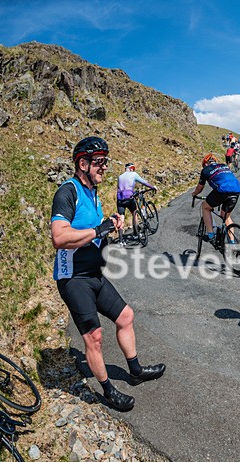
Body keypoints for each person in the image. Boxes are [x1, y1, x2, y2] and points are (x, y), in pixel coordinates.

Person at [50, 137, 165, 411]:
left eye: (105, 162)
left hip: (94, 274)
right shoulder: (68, 192)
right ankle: (108, 390)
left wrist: (109, 223)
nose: (104, 168)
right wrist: (98, 231)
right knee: (95, 337)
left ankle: (135, 372)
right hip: (73, 279)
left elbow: (92, 228)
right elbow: (59, 236)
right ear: (83, 163)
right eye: (100, 162)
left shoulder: (92, 192)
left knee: (126, 316)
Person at [191, 153, 240, 243]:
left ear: (205, 164)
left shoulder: (205, 170)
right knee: (225, 216)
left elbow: (200, 187)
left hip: (222, 189)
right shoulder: (223, 166)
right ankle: (232, 242)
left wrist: (194, 194)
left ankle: (211, 235)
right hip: (236, 189)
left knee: (205, 206)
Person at [116, 162, 157, 241]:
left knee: (121, 218)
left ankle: (121, 240)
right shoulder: (134, 174)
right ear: (131, 168)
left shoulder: (120, 177)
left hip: (120, 199)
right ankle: (135, 234)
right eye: (133, 169)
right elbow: (144, 182)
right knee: (134, 214)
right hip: (129, 198)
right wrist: (152, 187)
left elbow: (120, 188)